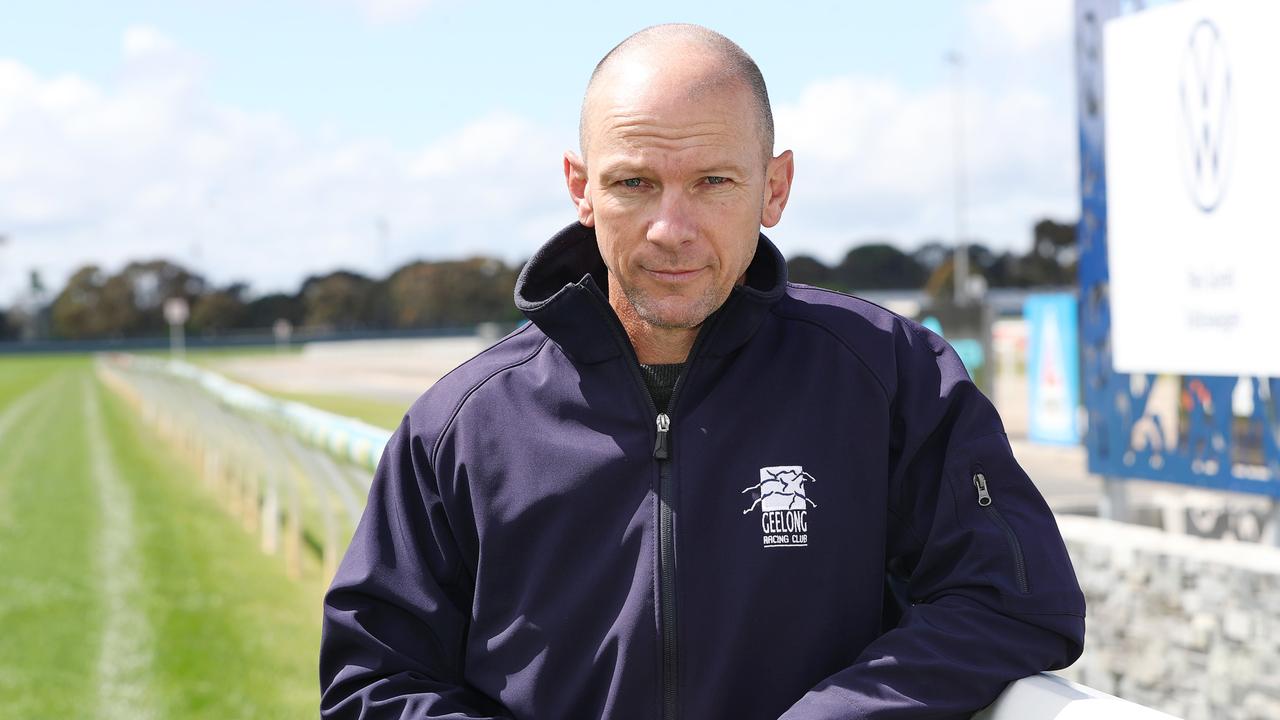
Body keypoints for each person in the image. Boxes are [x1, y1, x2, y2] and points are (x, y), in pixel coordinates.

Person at [320, 24, 1085, 720]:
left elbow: (1012, 601)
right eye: (634, 183)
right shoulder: (460, 423)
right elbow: (374, 682)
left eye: (714, 182)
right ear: (580, 187)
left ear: (774, 187)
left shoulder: (893, 375)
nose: (670, 230)